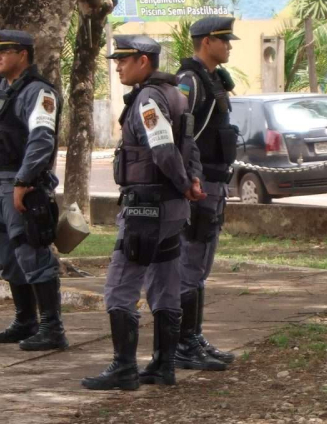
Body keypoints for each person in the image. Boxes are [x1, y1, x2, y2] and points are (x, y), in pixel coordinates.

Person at [81, 35, 206, 391]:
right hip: (171, 209)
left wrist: (184, 182)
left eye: (123, 60)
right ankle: (164, 366)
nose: (117, 66)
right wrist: (191, 181)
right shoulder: (176, 95)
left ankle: (124, 369)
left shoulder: (149, 99)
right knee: (165, 282)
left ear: (143, 61)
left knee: (120, 286)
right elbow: (190, 146)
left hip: (146, 208)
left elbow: (165, 148)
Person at [0, 30, 68, 352]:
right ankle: (25, 321)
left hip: (20, 188)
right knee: (6, 257)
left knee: (33, 254)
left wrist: (23, 182)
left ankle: (52, 328)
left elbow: (41, 139)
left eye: (6, 50)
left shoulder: (38, 93)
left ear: (24, 55)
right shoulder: (1, 89)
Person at [174, 17, 240, 371]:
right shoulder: (189, 81)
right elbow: (180, 135)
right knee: (190, 264)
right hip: (199, 187)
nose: (229, 46)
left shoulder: (212, 79)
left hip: (216, 184)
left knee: (200, 266)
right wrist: (190, 179)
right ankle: (184, 344)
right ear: (207, 41)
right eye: (224, 40)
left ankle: (194, 337)